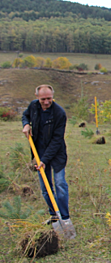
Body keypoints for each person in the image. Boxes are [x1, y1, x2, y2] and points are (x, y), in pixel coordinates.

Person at [22, 84, 71, 225]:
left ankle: (65, 218)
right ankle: (54, 216)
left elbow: (57, 140)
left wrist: (44, 159)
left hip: (56, 154)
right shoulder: (33, 106)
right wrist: (26, 124)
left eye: (49, 98)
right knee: (45, 188)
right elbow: (25, 115)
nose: (46, 102)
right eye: (43, 99)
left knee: (60, 184)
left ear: (52, 97)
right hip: (39, 153)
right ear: (37, 97)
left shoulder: (59, 113)